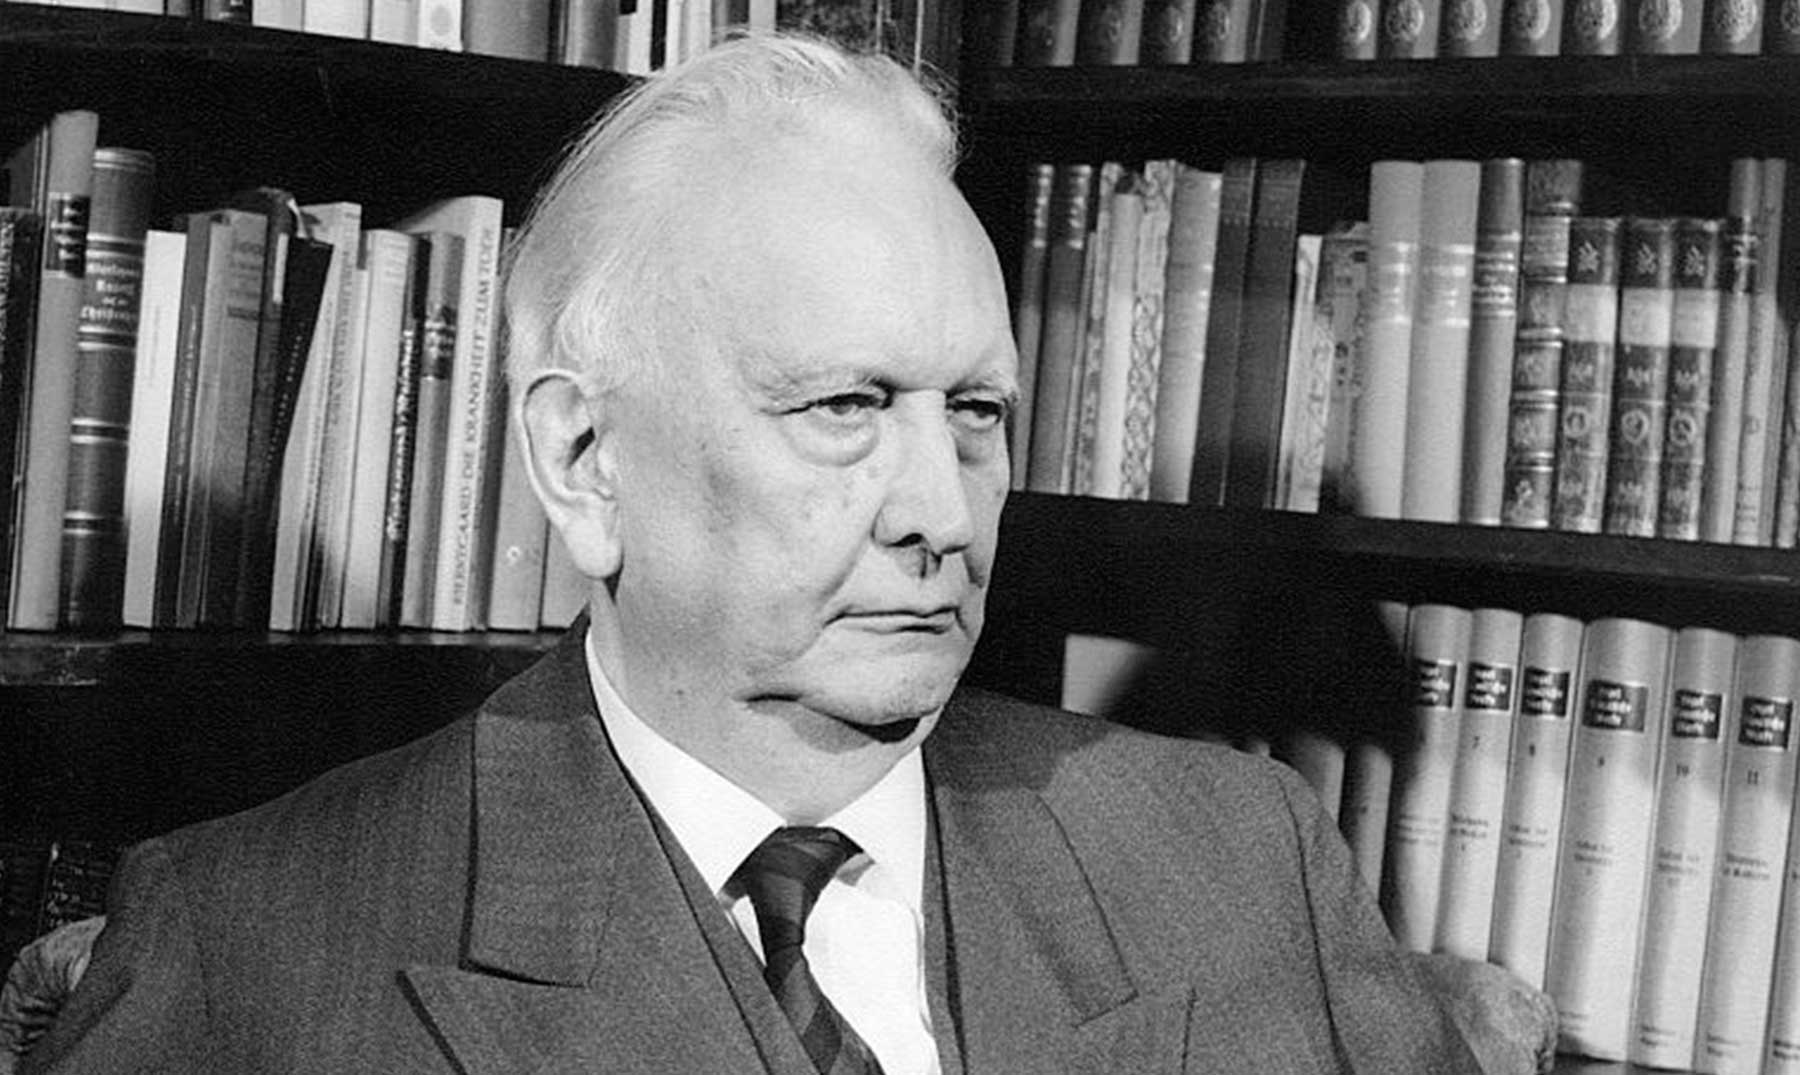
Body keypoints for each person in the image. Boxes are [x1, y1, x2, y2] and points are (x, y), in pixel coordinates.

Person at [20, 32, 1546, 1074]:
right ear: (582, 462)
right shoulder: (251, 951)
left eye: (976, 414)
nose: (941, 512)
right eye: (843, 408)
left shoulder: (1236, 855)